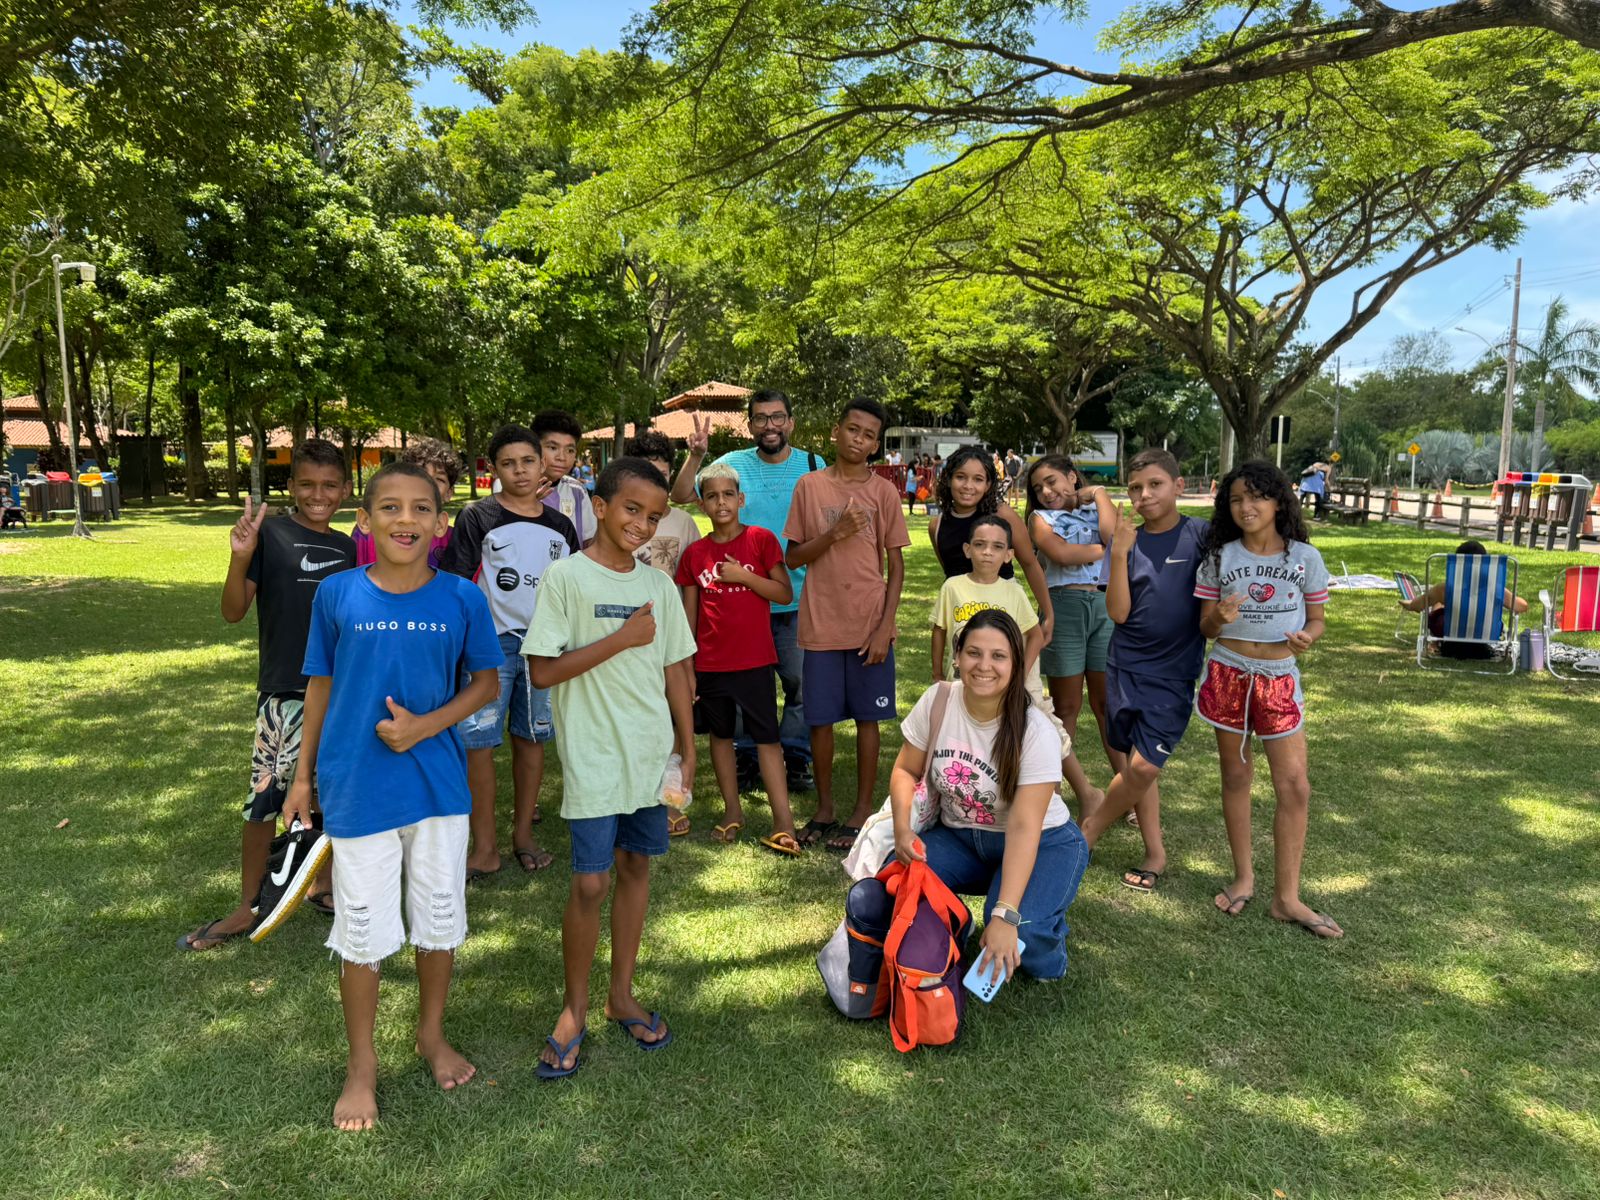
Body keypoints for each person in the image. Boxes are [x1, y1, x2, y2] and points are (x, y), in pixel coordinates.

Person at [284, 461, 502, 1129]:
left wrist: (425, 727)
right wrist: (300, 776)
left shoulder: (463, 598)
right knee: (362, 929)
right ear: (366, 521)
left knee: (439, 919)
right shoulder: (338, 595)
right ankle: (362, 1066)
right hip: (357, 787)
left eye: (420, 510)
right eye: (390, 509)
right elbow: (318, 687)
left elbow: (487, 683)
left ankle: (430, 1036)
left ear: (440, 524)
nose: (405, 520)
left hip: (438, 789)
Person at [524, 457, 697, 1080]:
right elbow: (542, 670)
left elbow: (677, 668)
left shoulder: (655, 586)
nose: (643, 525)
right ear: (599, 507)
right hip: (594, 757)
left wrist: (688, 743)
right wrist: (622, 638)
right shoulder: (566, 578)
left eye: (654, 516)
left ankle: (620, 993)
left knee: (635, 867)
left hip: (651, 756)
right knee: (590, 882)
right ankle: (573, 1009)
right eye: (631, 510)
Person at [180, 438, 355, 951]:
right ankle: (246, 904)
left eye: (328, 486)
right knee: (264, 800)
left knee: (330, 794)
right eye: (306, 485)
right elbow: (233, 611)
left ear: (344, 490)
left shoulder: (347, 548)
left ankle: (322, 887)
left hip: (340, 692)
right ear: (292, 487)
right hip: (283, 692)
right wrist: (240, 557)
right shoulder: (270, 535)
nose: (317, 495)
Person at [888, 610, 1089, 982]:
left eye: (998, 656)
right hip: (961, 839)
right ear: (957, 656)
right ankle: (950, 936)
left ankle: (1048, 939)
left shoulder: (1035, 730)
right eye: (974, 653)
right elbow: (904, 770)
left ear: (1015, 663)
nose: (984, 666)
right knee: (898, 880)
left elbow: (1026, 825)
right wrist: (903, 830)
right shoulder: (938, 700)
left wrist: (1006, 913)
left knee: (1021, 932)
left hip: (1045, 842)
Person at [1195, 461, 1342, 937]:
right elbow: (1205, 627)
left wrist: (1308, 637)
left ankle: (1288, 897)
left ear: (1279, 500)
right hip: (1229, 672)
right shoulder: (1222, 556)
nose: (1246, 507)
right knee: (1236, 777)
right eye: (1237, 499)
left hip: (1279, 676)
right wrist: (1219, 615)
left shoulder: (1305, 558)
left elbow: (1317, 619)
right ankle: (1244, 877)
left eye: (1257, 496)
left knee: (1295, 786)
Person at [439, 425, 575, 877]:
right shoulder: (478, 517)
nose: (519, 470)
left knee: (532, 739)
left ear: (542, 465)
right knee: (478, 743)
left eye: (527, 461)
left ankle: (522, 835)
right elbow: (457, 584)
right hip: (490, 648)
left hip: (544, 649)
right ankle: (485, 848)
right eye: (507, 463)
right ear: (492, 470)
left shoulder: (561, 526)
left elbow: (570, 589)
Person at [670, 390, 823, 794]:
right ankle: (745, 754)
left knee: (800, 683)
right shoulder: (732, 464)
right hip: (738, 604)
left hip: (795, 598)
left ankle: (794, 755)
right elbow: (682, 494)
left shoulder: (812, 464)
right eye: (760, 419)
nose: (769, 425)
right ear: (750, 423)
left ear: (790, 421)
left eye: (777, 417)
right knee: (738, 687)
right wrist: (697, 456)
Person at [1076, 448, 1209, 893]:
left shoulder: (1202, 536)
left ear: (1179, 486)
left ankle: (1089, 830)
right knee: (1137, 761)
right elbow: (1116, 612)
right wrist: (1119, 554)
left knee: (1146, 767)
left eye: (1155, 484)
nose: (1144, 495)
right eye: (1135, 488)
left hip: (1172, 674)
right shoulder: (1125, 540)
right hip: (1124, 665)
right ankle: (1154, 852)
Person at [783, 398, 910, 851]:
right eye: (852, 429)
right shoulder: (809, 487)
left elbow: (896, 567)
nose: (859, 439)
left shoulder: (884, 493)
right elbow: (793, 556)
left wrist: (885, 626)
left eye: (869, 435)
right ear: (836, 432)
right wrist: (834, 534)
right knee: (819, 721)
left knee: (867, 718)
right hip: (820, 623)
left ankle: (860, 811)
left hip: (868, 625)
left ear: (876, 445)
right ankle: (824, 808)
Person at [676, 462, 799, 853]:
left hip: (755, 661)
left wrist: (743, 576)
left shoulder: (761, 540)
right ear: (702, 504)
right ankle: (733, 810)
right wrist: (689, 665)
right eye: (712, 496)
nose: (721, 502)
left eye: (728, 494)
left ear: (741, 499)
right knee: (721, 737)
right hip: (711, 663)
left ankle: (784, 820)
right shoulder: (695, 554)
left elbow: (784, 594)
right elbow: (689, 616)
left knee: (767, 738)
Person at [1024, 455, 1122, 787]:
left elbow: (1113, 534)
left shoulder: (1097, 507)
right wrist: (1108, 550)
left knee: (1107, 704)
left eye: (1052, 481)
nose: (1046, 492)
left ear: (1071, 477)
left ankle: (1128, 789)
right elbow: (1062, 554)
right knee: (1066, 706)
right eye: (1038, 488)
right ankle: (1052, 791)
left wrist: (1099, 493)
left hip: (1104, 606)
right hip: (1063, 606)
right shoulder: (1039, 517)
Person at [1398, 538, 1528, 660]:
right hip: (1483, 635)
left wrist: (1408, 604)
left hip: (1450, 634)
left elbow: (1416, 606)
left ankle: (1435, 642)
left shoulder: (1444, 588)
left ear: (1458, 563)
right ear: (1484, 564)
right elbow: (1522, 606)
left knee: (1438, 603)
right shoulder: (1495, 589)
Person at [351, 438, 460, 568]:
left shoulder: (454, 538)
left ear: (449, 493)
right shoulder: (368, 532)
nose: (427, 484)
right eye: (420, 474)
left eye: (439, 479)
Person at [625, 430, 701, 579]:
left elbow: (694, 577)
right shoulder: (617, 520)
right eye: (646, 473)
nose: (654, 481)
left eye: (662, 474)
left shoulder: (684, 523)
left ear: (670, 475)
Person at [534, 409, 595, 548]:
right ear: (534, 447)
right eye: (553, 447)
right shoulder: (513, 487)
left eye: (570, 450)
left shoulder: (577, 491)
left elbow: (590, 541)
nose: (562, 457)